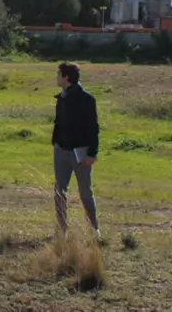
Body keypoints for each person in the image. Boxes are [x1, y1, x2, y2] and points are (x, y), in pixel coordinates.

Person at [52, 62, 101, 239]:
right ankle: (61, 229)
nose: (56, 77)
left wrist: (92, 153)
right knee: (59, 190)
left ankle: (94, 229)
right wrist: (56, 142)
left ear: (66, 77)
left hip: (80, 151)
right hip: (61, 150)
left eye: (59, 74)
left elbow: (93, 128)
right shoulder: (62, 97)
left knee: (85, 191)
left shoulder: (86, 99)